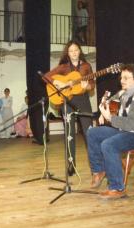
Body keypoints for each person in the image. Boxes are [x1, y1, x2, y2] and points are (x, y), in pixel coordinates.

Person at [86, 63, 134, 200]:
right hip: (125, 131)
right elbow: (109, 100)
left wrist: (110, 118)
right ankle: (99, 171)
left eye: (126, 78)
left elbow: (132, 124)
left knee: (108, 144)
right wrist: (103, 107)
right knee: (93, 133)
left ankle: (117, 188)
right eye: (121, 77)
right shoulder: (124, 92)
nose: (122, 80)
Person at [44, 39, 95, 175]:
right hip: (67, 101)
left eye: (76, 50)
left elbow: (92, 85)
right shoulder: (64, 67)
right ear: (68, 53)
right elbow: (46, 77)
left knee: (89, 133)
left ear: (80, 51)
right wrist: (58, 83)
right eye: (71, 51)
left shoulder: (86, 66)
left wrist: (87, 86)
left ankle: (95, 167)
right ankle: (71, 165)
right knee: (69, 134)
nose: (74, 53)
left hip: (83, 100)